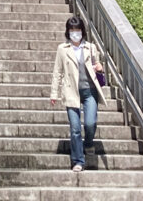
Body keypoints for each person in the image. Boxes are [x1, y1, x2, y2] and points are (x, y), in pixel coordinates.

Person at [49, 16, 106, 172]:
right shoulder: (63, 49)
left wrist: (99, 67)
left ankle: (88, 143)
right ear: (68, 32)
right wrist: (54, 93)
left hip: (90, 90)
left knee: (90, 123)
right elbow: (57, 72)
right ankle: (78, 160)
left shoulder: (91, 48)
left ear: (82, 31)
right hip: (71, 91)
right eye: (72, 31)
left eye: (78, 30)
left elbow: (97, 67)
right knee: (75, 129)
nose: (75, 34)